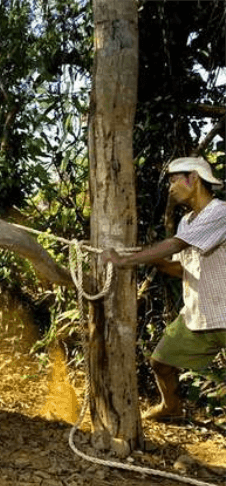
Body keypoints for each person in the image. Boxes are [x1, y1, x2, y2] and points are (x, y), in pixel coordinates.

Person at [103, 157, 226, 421]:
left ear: (193, 178)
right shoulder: (186, 222)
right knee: (161, 362)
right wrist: (156, 262)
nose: (170, 187)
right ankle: (171, 407)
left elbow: (175, 246)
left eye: (174, 180)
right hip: (199, 315)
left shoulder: (220, 212)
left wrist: (125, 260)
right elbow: (181, 268)